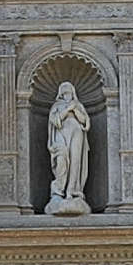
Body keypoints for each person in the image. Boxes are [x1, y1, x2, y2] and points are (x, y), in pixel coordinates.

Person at [46, 80, 91, 214]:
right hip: (61, 134)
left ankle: (73, 191)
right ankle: (58, 192)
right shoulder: (57, 106)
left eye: (69, 93)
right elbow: (55, 121)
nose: (67, 95)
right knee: (62, 160)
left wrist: (75, 109)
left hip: (77, 134)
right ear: (60, 94)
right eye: (64, 93)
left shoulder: (78, 105)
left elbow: (85, 121)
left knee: (75, 162)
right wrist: (68, 109)